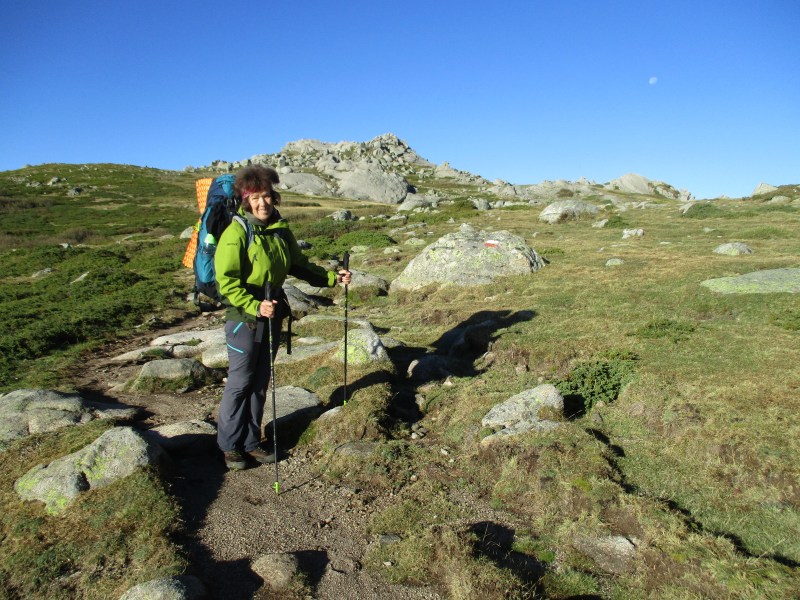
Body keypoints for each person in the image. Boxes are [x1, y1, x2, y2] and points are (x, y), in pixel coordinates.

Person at [214, 165, 351, 470]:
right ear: (245, 200)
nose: (262, 203)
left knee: (261, 380)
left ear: (273, 197)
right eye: (255, 198)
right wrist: (253, 305)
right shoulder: (236, 232)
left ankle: (250, 442)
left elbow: (298, 265)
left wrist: (332, 278)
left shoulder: (279, 230)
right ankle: (228, 445)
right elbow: (226, 281)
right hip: (243, 318)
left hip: (272, 314)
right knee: (240, 380)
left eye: (266, 196)